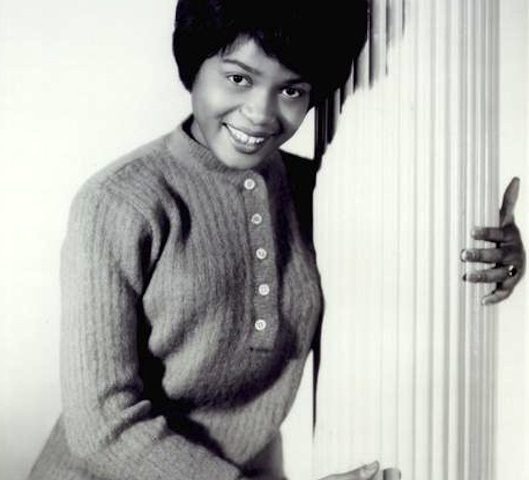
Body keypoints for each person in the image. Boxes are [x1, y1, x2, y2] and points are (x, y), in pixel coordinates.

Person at [28, 1, 525, 479]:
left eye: (291, 90)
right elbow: (102, 425)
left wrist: (492, 246)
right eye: (238, 78)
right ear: (194, 63)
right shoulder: (120, 202)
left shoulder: (318, 191)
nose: (261, 114)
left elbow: (405, 273)